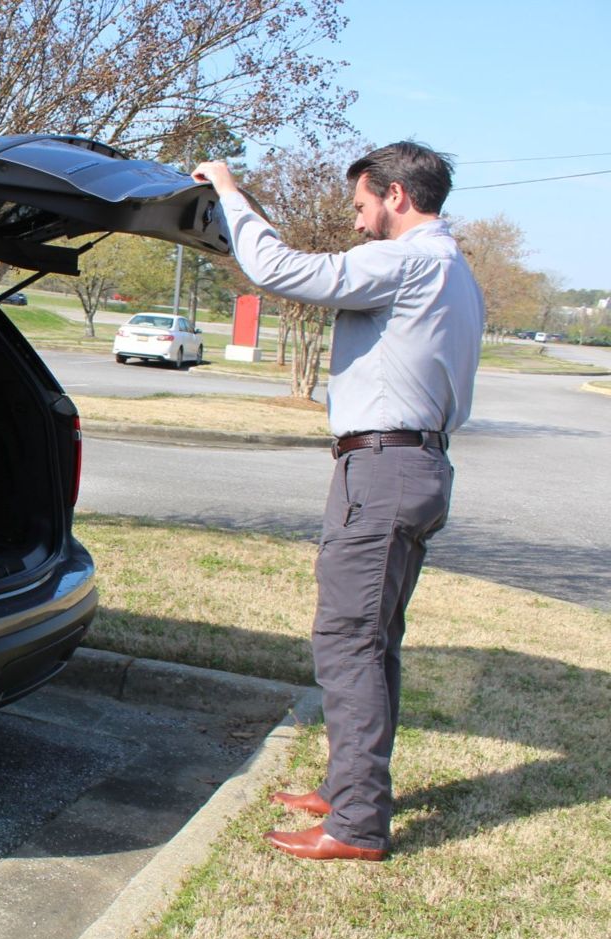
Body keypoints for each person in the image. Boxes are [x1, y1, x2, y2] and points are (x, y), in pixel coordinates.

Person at [192, 143, 484, 861]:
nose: (356, 224)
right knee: (371, 641)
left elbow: (281, 270)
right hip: (409, 466)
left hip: (383, 471)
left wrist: (228, 190)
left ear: (396, 196)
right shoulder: (455, 270)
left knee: (346, 640)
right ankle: (348, 789)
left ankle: (356, 822)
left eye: (360, 206)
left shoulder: (410, 258)